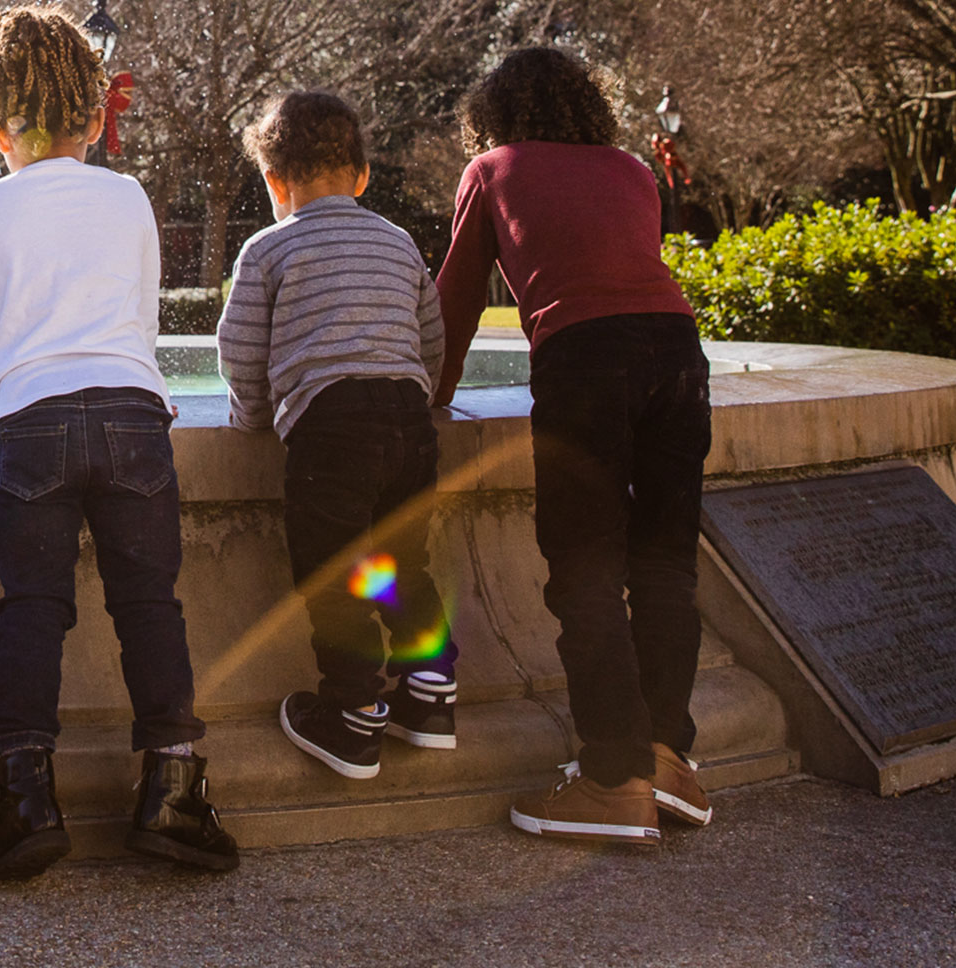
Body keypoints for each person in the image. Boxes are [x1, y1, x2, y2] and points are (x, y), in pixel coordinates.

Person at [0, 4, 238, 884]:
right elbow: (138, 312)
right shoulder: (126, 195)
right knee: (149, 604)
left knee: (33, 611)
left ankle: (24, 803)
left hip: (32, 422)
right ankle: (172, 791)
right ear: (95, 119)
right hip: (133, 414)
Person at [436, 46, 711, 848]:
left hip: (585, 360)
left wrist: (435, 396)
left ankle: (612, 780)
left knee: (585, 569)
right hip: (678, 350)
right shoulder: (631, 169)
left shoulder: (492, 168)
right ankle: (668, 760)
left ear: (494, 112)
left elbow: (458, 296)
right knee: (665, 563)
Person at [216, 88, 459, 780]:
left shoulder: (268, 248)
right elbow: (431, 336)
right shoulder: (397, 239)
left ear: (274, 181)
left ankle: (353, 714)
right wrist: (421, 396)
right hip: (407, 423)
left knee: (339, 573)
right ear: (362, 177)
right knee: (399, 565)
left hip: (333, 430)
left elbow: (242, 352)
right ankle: (431, 689)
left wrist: (250, 418)